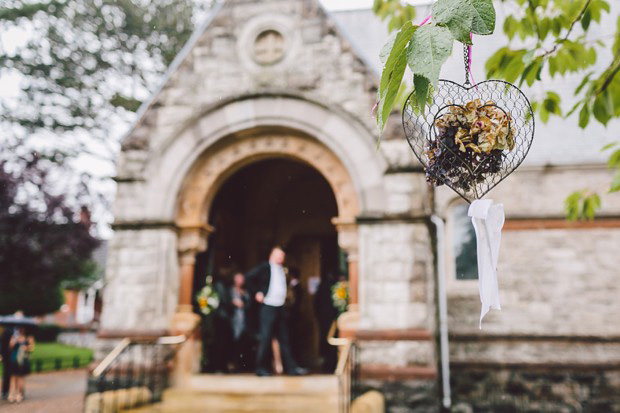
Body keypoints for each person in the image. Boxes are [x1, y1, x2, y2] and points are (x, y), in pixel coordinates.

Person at [246, 246, 308, 377]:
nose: (280, 258)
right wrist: (256, 292)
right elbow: (249, 278)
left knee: (284, 339)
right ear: (271, 256)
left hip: (280, 307)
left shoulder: (283, 270)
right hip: (268, 306)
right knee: (265, 337)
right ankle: (260, 368)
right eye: (278, 255)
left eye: (282, 256)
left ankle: (291, 368)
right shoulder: (264, 267)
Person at [313, 270, 339, 372]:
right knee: (329, 341)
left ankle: (329, 364)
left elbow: (316, 303)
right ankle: (330, 364)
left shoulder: (323, 286)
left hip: (325, 318)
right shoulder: (333, 287)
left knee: (327, 340)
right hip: (329, 318)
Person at [227, 272, 250, 372]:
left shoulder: (245, 292)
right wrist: (233, 303)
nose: (240, 281)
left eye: (242, 278)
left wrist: (243, 303)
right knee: (233, 341)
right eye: (238, 278)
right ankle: (231, 364)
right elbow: (226, 302)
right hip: (233, 319)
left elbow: (249, 304)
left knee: (242, 342)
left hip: (244, 319)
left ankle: (240, 364)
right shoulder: (230, 291)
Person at [8, 327, 34, 403]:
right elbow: (10, 347)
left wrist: (26, 347)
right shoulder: (14, 337)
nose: (20, 330)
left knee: (20, 377)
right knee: (13, 377)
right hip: (13, 359)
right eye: (19, 329)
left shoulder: (28, 337)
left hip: (22, 360)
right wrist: (14, 341)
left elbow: (32, 348)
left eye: (21, 328)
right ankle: (11, 393)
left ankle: (19, 394)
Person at [1, 326, 14, 400]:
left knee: (13, 374)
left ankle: (7, 391)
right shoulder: (8, 332)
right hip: (8, 356)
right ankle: (6, 391)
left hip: (8, 356)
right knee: (8, 374)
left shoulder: (6, 331)